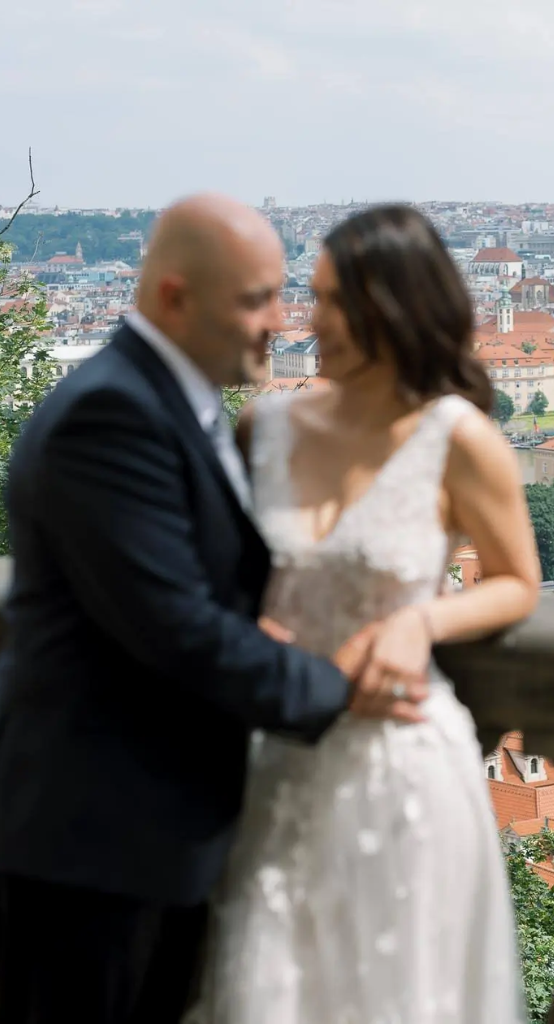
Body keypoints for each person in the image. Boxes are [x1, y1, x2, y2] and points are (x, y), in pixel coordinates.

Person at [0, 195, 427, 1024]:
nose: (281, 320)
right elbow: (179, 632)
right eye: (255, 299)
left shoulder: (168, 401)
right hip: (94, 847)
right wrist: (335, 685)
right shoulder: (111, 413)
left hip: (141, 835)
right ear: (171, 297)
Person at [191, 205, 540, 1023]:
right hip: (276, 755)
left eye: (335, 303)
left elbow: (518, 581)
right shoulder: (263, 423)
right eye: (313, 299)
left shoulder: (459, 436)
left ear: (398, 308)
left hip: (402, 760)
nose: (313, 324)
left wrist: (423, 622)